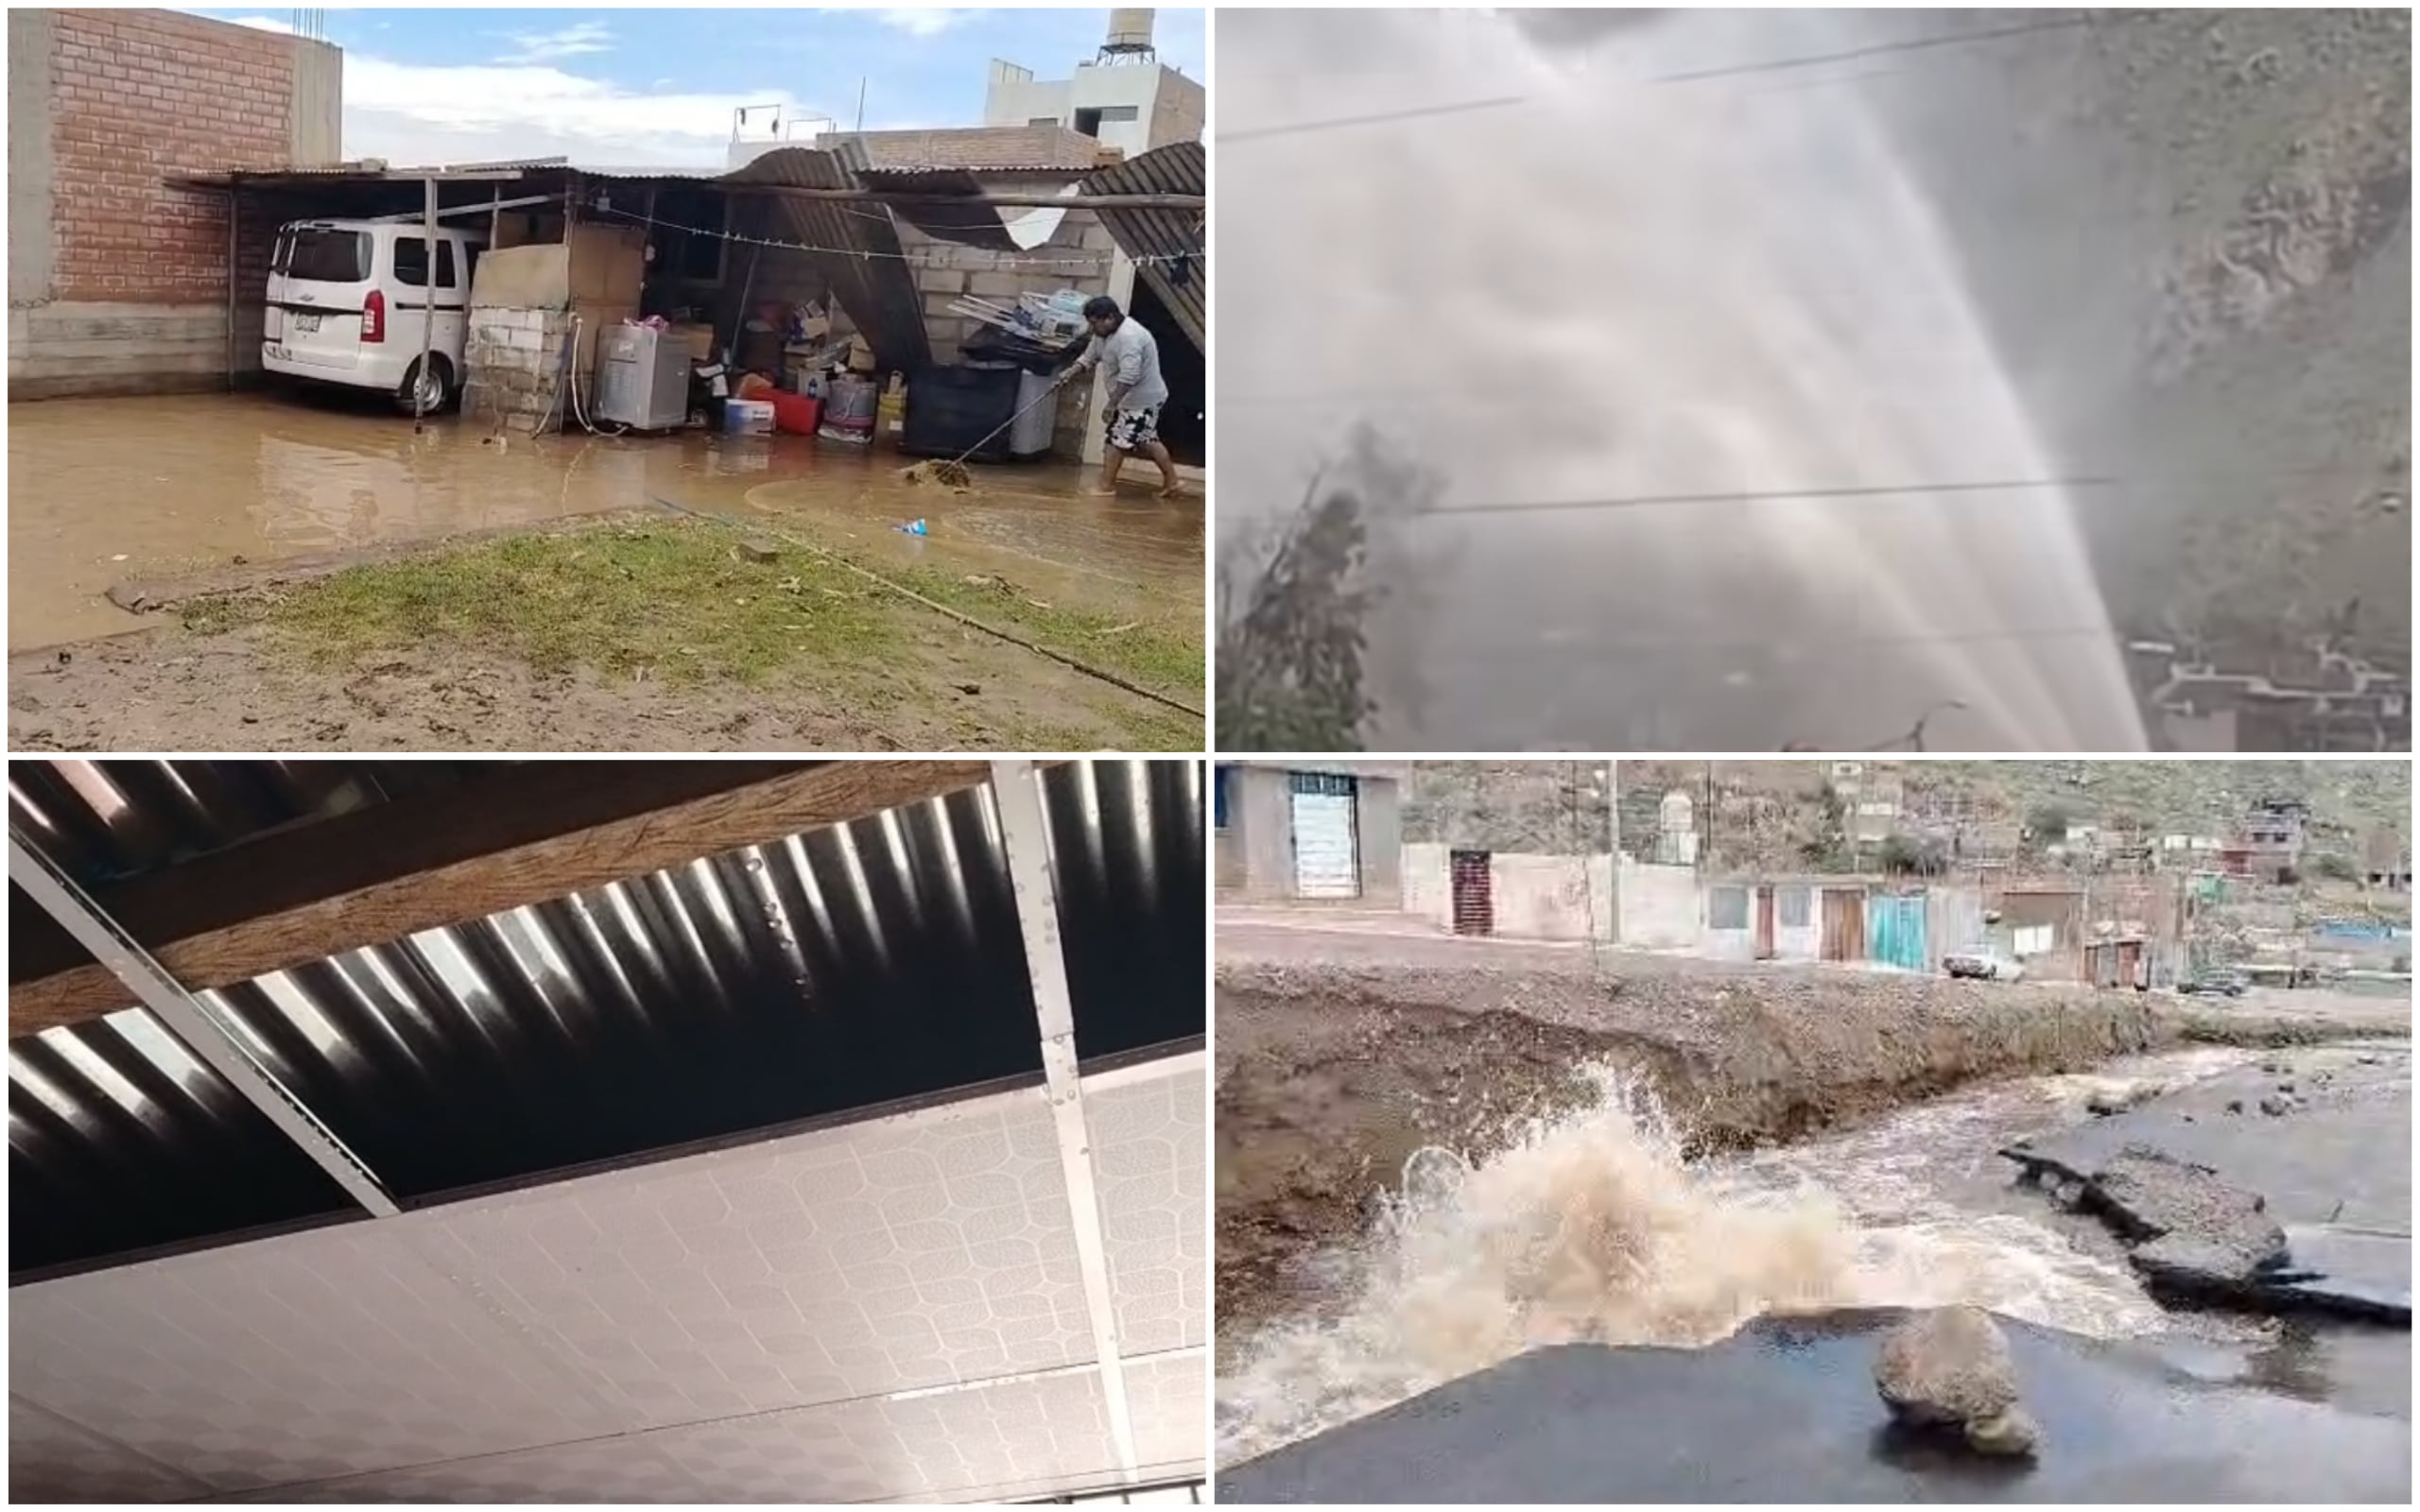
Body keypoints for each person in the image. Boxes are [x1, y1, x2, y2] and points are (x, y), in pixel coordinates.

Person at [1057, 295, 1181, 498]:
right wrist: (1068, 374)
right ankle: (1172, 481)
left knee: (1115, 441)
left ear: (1110, 318)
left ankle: (1106, 486)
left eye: (1095, 323)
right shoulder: (1102, 334)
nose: (1092, 329)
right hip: (1129, 399)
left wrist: (1111, 404)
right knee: (1147, 439)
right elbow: (1089, 357)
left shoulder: (1129, 337)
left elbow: (1129, 376)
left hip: (1141, 399)